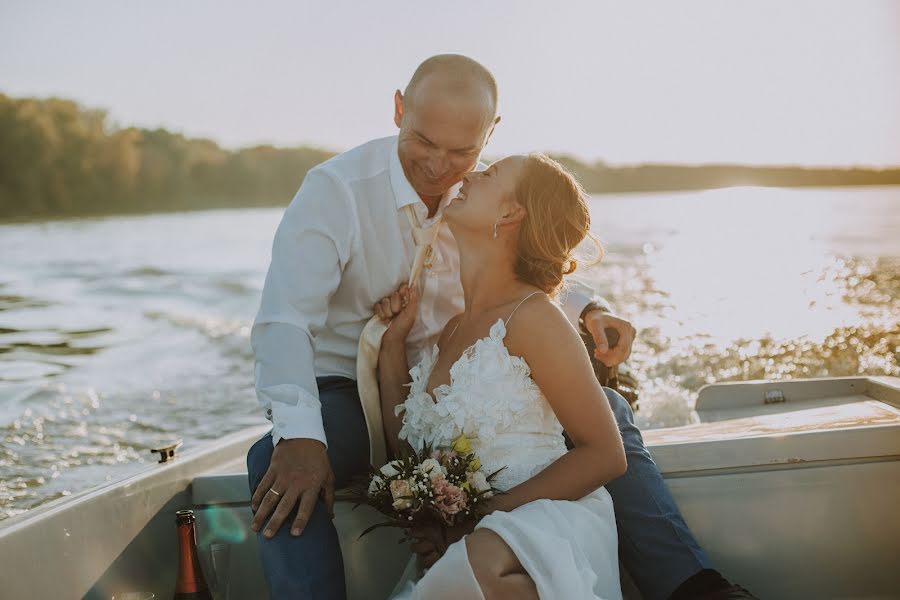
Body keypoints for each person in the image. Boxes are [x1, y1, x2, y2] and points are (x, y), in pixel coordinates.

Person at [246, 54, 754, 599]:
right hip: (353, 386)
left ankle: (690, 586)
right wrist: (300, 436)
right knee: (273, 459)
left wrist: (588, 310)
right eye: (424, 141)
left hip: (455, 374)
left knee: (607, 412)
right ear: (398, 109)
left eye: (464, 152)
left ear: (491, 132)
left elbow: (519, 263)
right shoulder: (336, 191)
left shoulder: (478, 197)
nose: (440, 168)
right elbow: (283, 320)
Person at [379, 153, 626, 599]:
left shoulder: (535, 318)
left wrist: (484, 516)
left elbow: (607, 454)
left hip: (543, 523)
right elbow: (407, 447)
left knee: (475, 569)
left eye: (489, 174)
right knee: (460, 572)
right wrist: (393, 343)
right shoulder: (450, 329)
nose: (469, 175)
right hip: (475, 538)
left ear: (511, 213)